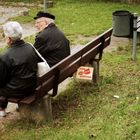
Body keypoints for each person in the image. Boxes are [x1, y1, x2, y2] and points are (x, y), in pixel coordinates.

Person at [0, 21, 38, 117]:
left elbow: (1, 80)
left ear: (9, 39)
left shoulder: (6, 56)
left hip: (18, 90)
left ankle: (1, 110)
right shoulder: (30, 47)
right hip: (33, 85)